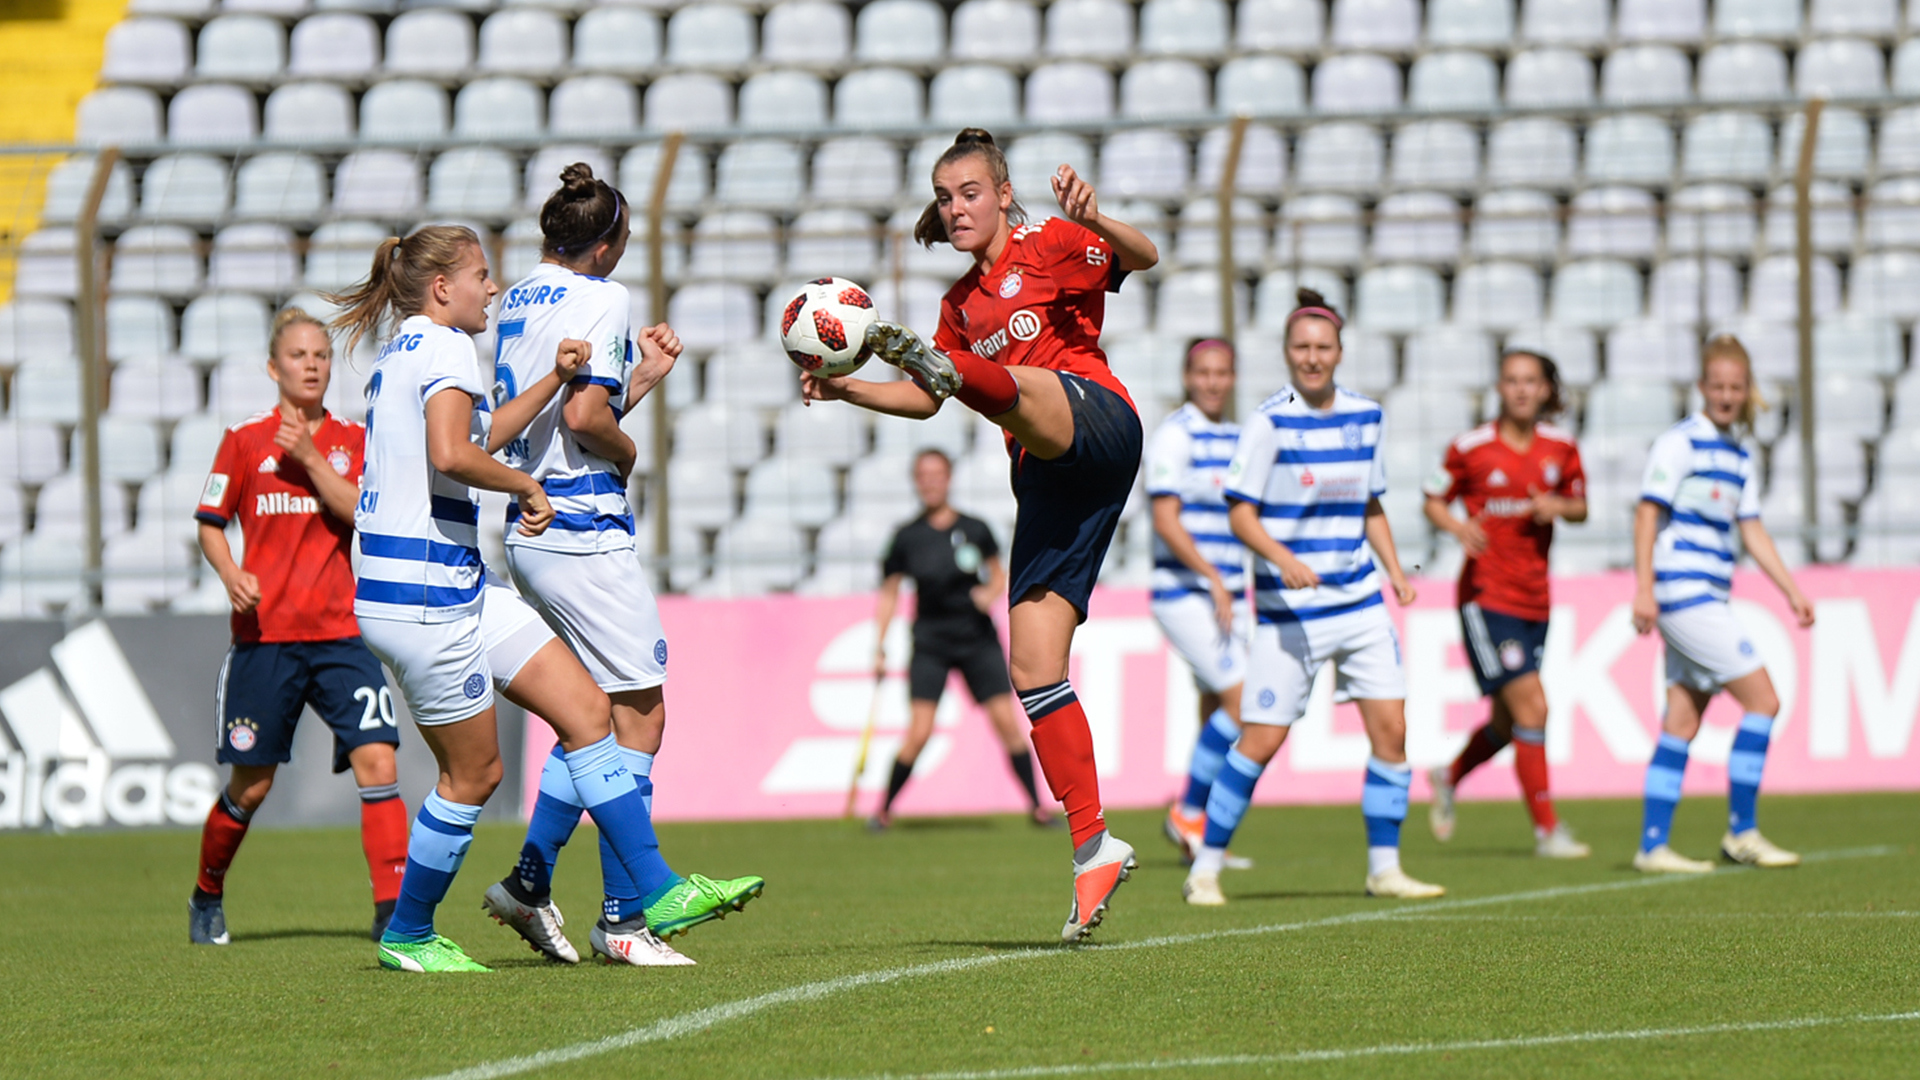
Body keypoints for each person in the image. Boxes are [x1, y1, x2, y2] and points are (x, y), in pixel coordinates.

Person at [330, 224, 761, 973]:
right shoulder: (445, 347)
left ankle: (654, 890)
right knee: (475, 776)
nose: (491, 288)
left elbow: (481, 432)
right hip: (422, 598)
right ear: (442, 288)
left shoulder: (406, 349)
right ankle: (408, 932)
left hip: (454, 584)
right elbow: (452, 453)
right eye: (481, 275)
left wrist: (557, 382)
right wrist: (529, 485)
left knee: (589, 712)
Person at [801, 128, 1157, 942]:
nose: (955, 207)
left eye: (968, 192)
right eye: (944, 196)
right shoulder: (959, 306)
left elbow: (1147, 256)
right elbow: (925, 403)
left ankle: (945, 365)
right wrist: (850, 387)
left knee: (987, 378)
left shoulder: (1050, 242)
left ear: (1001, 193)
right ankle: (1093, 845)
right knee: (1033, 663)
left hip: (1093, 418)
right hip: (1046, 475)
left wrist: (1098, 221)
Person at [477, 164, 761, 968]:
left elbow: (557, 417)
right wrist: (629, 444)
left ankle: (531, 885)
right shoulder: (606, 297)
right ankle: (625, 919)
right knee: (641, 719)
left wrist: (637, 379)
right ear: (607, 244)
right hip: (583, 528)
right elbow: (585, 417)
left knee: (589, 720)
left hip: (532, 526)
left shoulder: (519, 298)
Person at [1182, 289, 1442, 907]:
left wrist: (1394, 569)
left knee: (1392, 731)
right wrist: (1283, 560)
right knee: (1261, 742)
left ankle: (1385, 868)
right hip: (1288, 612)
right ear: (1286, 353)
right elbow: (1240, 514)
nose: (1313, 357)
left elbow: (1370, 502)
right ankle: (1206, 867)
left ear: (1340, 352)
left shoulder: (1367, 416)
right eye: (1302, 347)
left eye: (1323, 347)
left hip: (1358, 603)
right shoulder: (1269, 422)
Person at [187, 308, 408, 946]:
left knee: (378, 758)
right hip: (266, 639)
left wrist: (311, 458)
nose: (311, 365)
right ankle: (207, 892)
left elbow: (359, 514)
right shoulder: (245, 440)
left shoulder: (351, 441)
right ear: (273, 367)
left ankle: (392, 911)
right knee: (251, 786)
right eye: (298, 355)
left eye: (320, 355)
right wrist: (230, 571)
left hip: (342, 636)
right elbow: (209, 521)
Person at [1629, 335, 1812, 874]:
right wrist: (1644, 587)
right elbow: (1646, 514)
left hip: (1708, 592)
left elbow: (1751, 531)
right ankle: (1743, 832)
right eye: (1718, 386)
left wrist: (1792, 591)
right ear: (1702, 387)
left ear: (1746, 390)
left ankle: (1652, 846)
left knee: (1682, 721)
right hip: (1683, 594)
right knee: (1764, 700)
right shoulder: (1680, 443)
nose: (1727, 395)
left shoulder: (1737, 453)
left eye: (1735, 387)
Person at [1422, 350, 1592, 859]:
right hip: (1485, 596)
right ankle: (1547, 831)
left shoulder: (1561, 448)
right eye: (1511, 381)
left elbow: (1581, 507)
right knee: (1534, 705)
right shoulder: (1469, 448)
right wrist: (1459, 526)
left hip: (1536, 598)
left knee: (1506, 721)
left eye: (1530, 382)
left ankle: (1448, 776)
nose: (1520, 390)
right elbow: (1432, 499)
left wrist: (1557, 506)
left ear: (1545, 390)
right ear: (1499, 387)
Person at [869, 448, 1049, 829]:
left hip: (976, 638)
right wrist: (880, 645)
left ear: (948, 479)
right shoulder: (906, 537)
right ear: (916, 482)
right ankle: (883, 811)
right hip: (931, 641)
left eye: (938, 474)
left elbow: (998, 575)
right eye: (924, 475)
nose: (931, 482)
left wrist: (989, 593)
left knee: (1007, 724)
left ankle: (1037, 806)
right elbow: (889, 592)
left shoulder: (975, 528)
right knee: (919, 731)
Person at [1147, 340, 1254, 868]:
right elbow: (1164, 517)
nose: (1212, 382)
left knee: (1217, 705)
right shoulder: (1175, 435)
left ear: (1232, 378)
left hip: (1227, 594)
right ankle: (1187, 811)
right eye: (1203, 372)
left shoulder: (1238, 439)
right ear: (1188, 377)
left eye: (1222, 373)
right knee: (1243, 700)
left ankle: (1204, 834)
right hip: (1184, 592)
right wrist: (1211, 575)